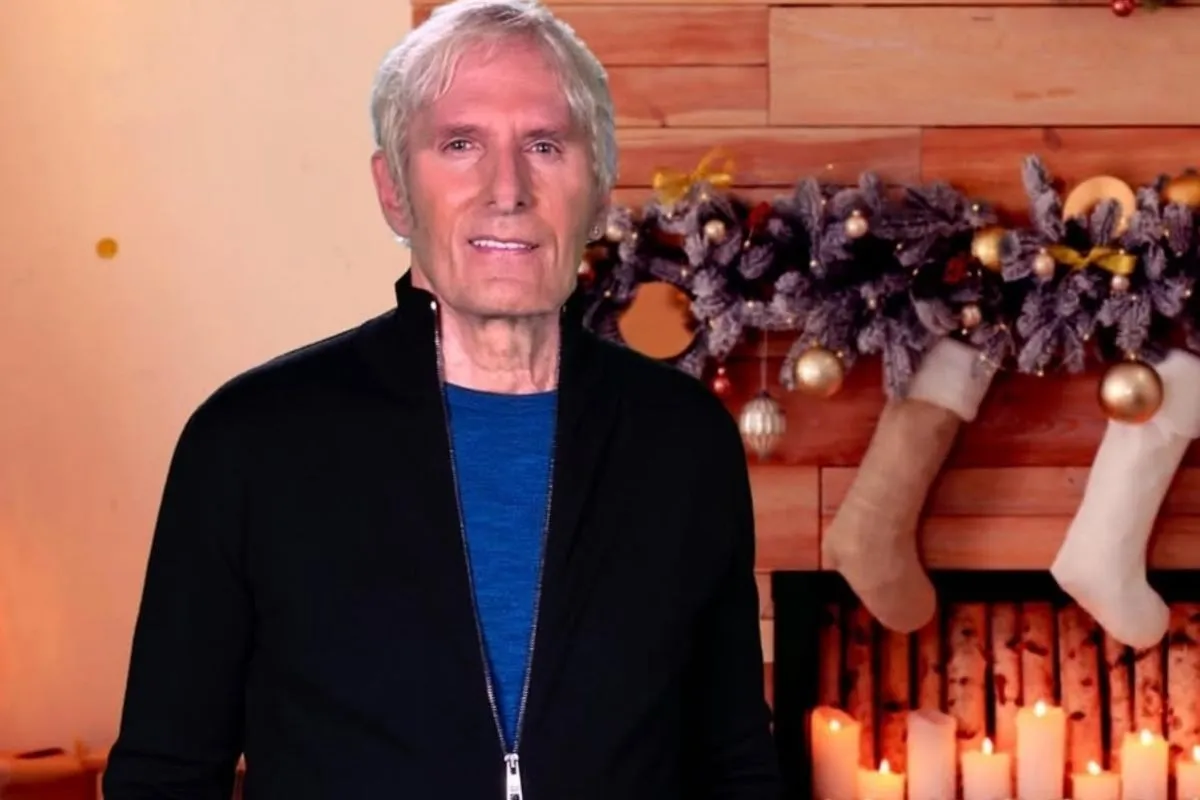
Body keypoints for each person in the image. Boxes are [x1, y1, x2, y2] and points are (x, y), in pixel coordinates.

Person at [101, 0, 780, 796]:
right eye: (460, 144)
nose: (508, 189)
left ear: (597, 188)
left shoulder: (685, 442)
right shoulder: (247, 444)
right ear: (395, 191)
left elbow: (735, 765)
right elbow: (164, 776)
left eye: (545, 145)